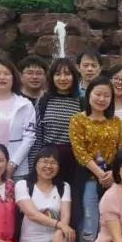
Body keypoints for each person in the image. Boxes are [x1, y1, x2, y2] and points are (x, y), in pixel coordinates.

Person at [70, 76, 122, 242]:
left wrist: (114, 173)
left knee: (112, 222)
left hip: (112, 178)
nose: (101, 99)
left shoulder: (116, 121)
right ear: (89, 95)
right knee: (90, 222)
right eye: (98, 94)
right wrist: (101, 174)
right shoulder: (78, 120)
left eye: (106, 95)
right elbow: (80, 152)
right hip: (88, 177)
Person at [16, 147, 76, 242]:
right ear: (36, 163)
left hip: (55, 240)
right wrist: (59, 225)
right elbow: (32, 214)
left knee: (68, 238)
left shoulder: (63, 187)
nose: (49, 166)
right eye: (44, 161)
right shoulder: (23, 184)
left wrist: (59, 232)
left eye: (53, 163)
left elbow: (65, 215)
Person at [30, 58, 82, 189]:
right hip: (49, 160)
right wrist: (35, 166)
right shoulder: (43, 101)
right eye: (58, 74)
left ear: (74, 76)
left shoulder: (82, 102)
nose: (62, 78)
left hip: (75, 160)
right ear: (52, 77)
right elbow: (37, 135)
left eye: (67, 74)